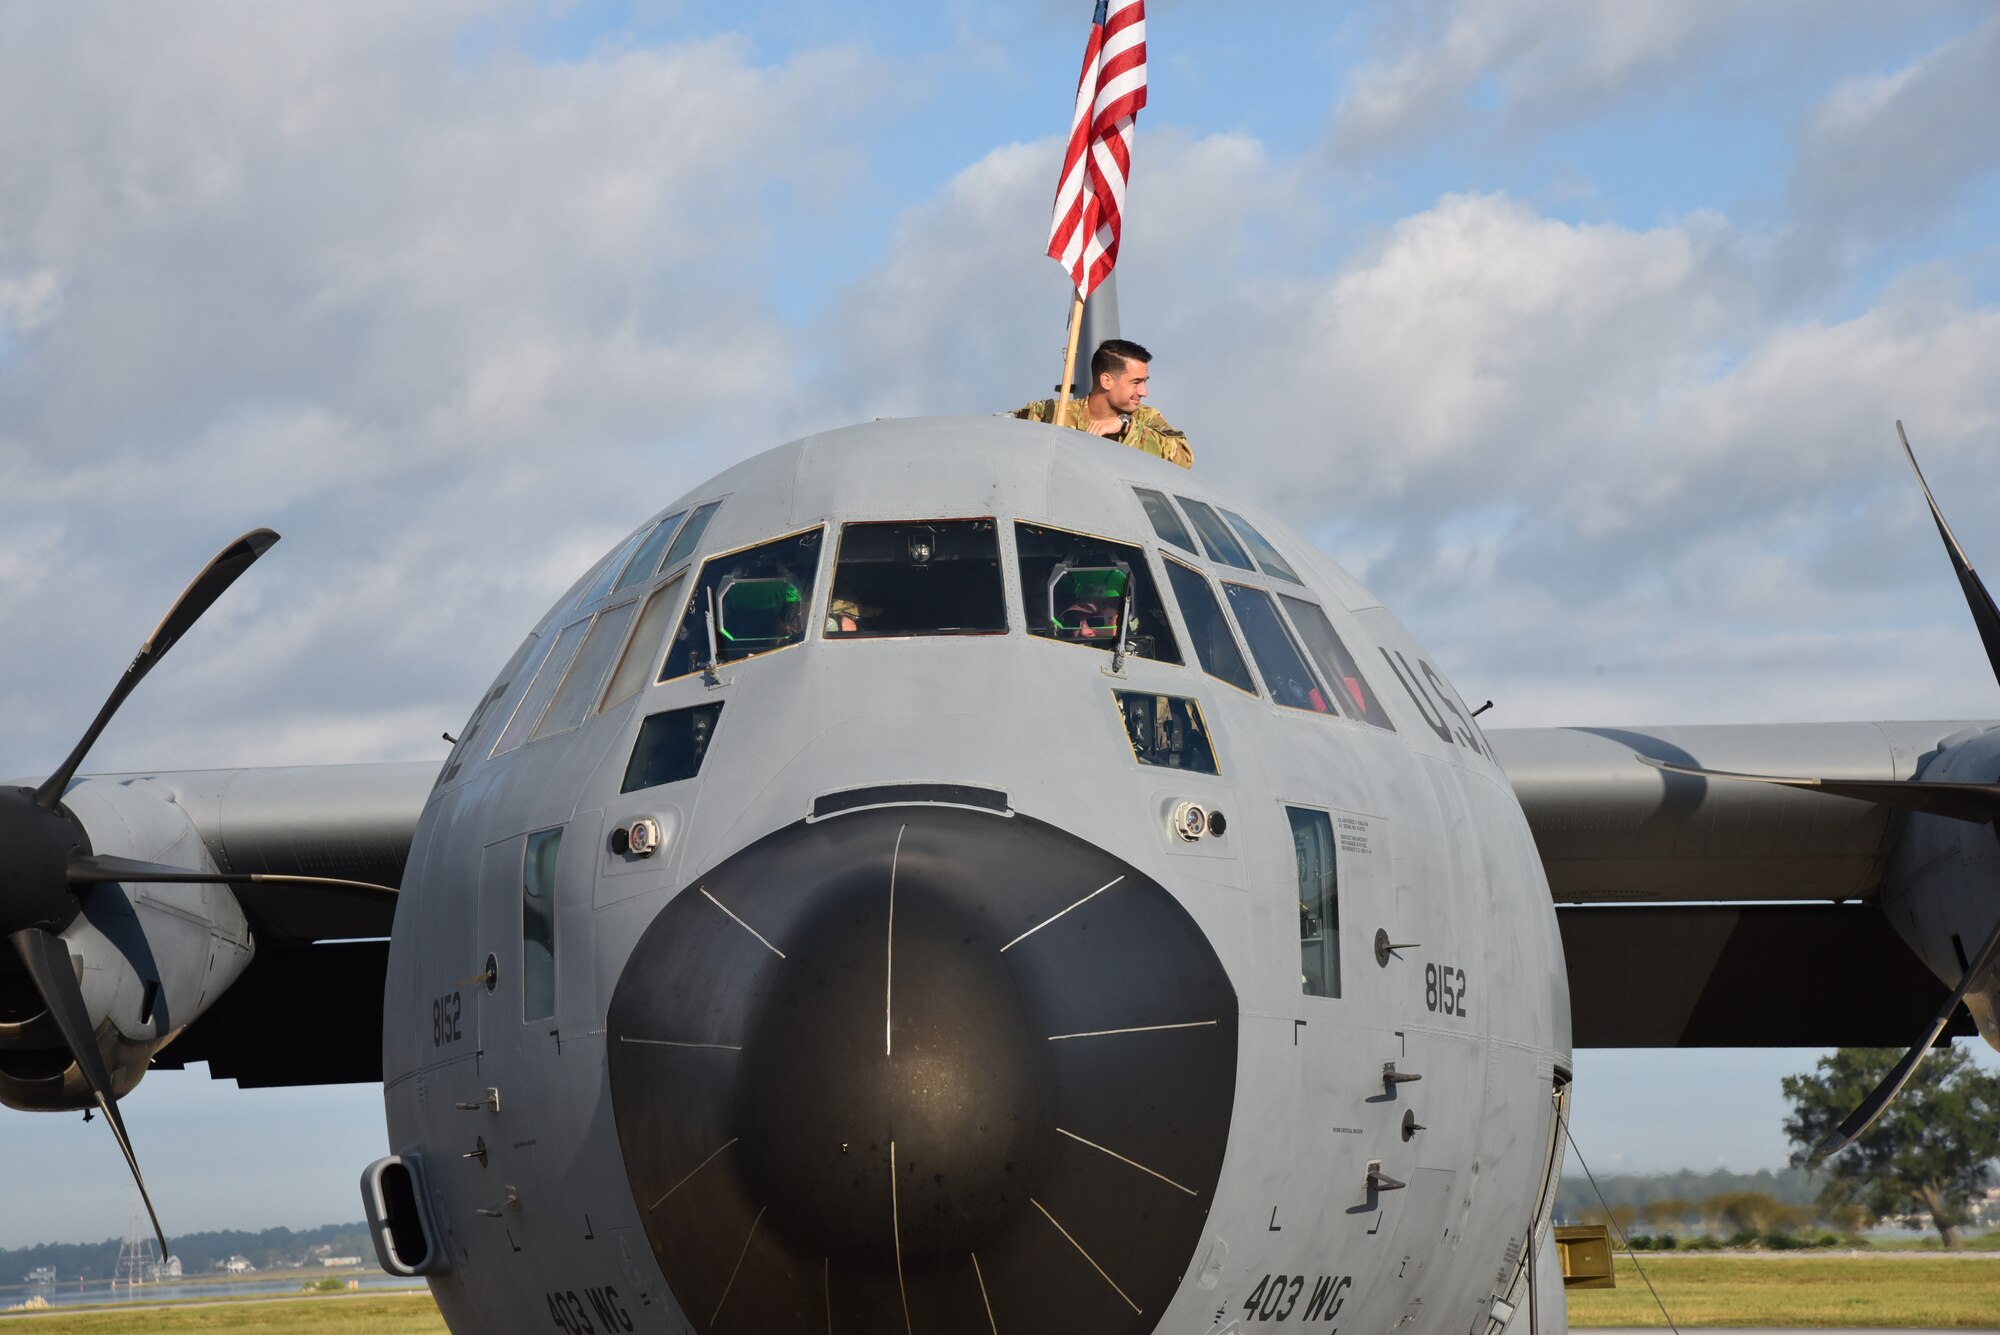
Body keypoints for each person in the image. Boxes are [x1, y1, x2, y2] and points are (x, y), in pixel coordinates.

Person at [1013, 339, 1193, 468]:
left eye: (1145, 382)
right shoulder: (1051, 414)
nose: (1144, 392)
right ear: (1107, 381)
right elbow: (1000, 433)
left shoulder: (1145, 418)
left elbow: (1185, 457)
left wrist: (1126, 427)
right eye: (1136, 382)